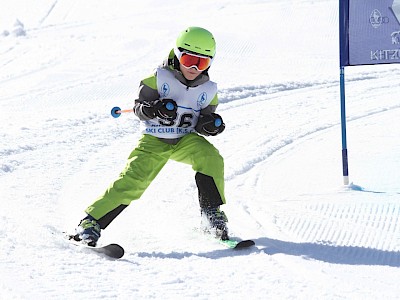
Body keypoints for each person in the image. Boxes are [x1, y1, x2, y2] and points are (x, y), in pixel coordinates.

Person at [73, 26, 228, 246]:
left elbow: (204, 120)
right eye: (188, 59)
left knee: (210, 157)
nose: (193, 67)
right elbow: (139, 108)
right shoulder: (158, 78)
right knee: (134, 180)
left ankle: (211, 213)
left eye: (201, 62)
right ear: (177, 54)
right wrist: (155, 109)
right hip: (156, 138)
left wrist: (210, 126)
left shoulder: (209, 90)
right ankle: (90, 223)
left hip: (184, 139)